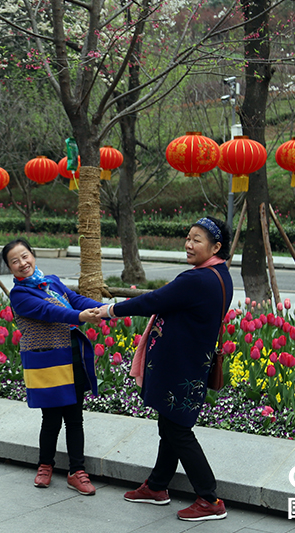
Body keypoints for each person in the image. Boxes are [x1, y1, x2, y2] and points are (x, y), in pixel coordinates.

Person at [99, 216, 233, 522]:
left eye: (197, 240)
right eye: (188, 238)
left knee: (178, 430)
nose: (188, 244)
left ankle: (209, 499)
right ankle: (157, 486)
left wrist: (110, 310)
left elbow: (152, 301)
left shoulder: (198, 280)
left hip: (180, 368)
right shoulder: (221, 275)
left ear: (215, 247)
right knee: (169, 426)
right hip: (190, 365)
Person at [2, 238, 103, 495]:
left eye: (25, 256)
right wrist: (79, 316)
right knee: (51, 419)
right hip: (46, 361)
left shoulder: (53, 282)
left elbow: (76, 300)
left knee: (75, 418)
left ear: (33, 255)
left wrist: (106, 309)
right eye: (15, 261)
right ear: (10, 268)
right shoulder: (20, 295)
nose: (22, 263)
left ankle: (77, 471)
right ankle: (45, 465)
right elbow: (49, 311)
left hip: (71, 356)